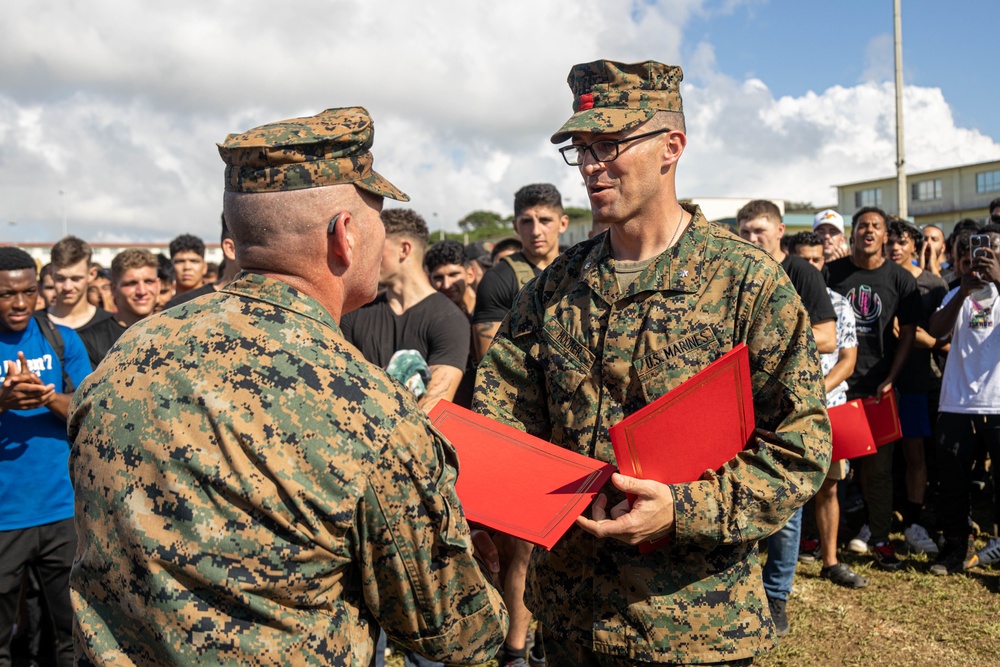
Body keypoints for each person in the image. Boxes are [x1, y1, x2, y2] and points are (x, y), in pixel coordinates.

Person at [67, 106, 507, 665]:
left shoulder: (124, 356)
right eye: (378, 216)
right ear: (345, 235)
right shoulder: (366, 408)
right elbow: (458, 631)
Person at [475, 59, 829, 665]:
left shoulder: (748, 283)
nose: (589, 166)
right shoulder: (554, 287)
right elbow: (502, 412)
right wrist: (495, 498)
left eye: (609, 144)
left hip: (691, 627)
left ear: (672, 147)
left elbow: (802, 447)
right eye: (581, 149)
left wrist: (682, 512)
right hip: (569, 622)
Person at [737, 201, 837, 635]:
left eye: (759, 230)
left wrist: (761, 342)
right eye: (744, 230)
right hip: (740, 408)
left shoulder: (802, 273)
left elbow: (828, 337)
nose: (751, 237)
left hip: (789, 408)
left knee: (786, 504)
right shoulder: (737, 272)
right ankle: (747, 592)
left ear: (780, 230)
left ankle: (776, 596)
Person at [0, 246, 92, 667]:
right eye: (6, 294)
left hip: (60, 514)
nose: (19, 303)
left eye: (28, 292)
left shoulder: (62, 339)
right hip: (5, 519)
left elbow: (90, 411)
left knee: (73, 638)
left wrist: (48, 396)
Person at [826, 206, 922, 571]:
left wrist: (891, 377)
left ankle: (880, 538)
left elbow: (909, 332)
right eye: (863, 225)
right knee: (832, 470)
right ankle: (824, 539)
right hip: (837, 387)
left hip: (878, 390)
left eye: (876, 226)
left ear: (885, 235)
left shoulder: (900, 279)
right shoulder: (831, 273)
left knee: (879, 470)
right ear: (853, 234)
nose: (869, 231)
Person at [787, 232, 867, 589]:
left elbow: (847, 361)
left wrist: (814, 393)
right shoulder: (777, 302)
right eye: (803, 261)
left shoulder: (839, 304)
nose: (811, 268)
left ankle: (830, 560)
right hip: (783, 410)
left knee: (829, 488)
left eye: (817, 261)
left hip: (826, 408)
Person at [341, 208, 470, 410]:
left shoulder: (449, 320)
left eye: (373, 246)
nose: (363, 256)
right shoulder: (353, 313)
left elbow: (433, 409)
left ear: (404, 249)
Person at [927, 231, 1000, 575]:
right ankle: (956, 547)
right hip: (957, 404)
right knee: (953, 485)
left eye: (987, 259)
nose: (978, 267)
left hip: (997, 405)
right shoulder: (956, 294)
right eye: (969, 261)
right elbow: (937, 331)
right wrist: (962, 292)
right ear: (957, 263)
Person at [885, 219, 949, 554]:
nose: (895, 247)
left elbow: (942, 338)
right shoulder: (879, 276)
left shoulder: (932, 284)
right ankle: (879, 520)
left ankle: (914, 521)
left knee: (916, 453)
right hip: (877, 380)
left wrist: (916, 336)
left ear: (914, 245)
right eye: (890, 241)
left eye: (901, 242)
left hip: (916, 380)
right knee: (880, 457)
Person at [472, 184, 569, 363]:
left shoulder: (580, 267)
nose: (536, 231)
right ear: (516, 226)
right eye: (526, 222)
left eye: (545, 220)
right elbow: (490, 363)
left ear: (563, 224)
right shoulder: (498, 279)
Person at [75, 249, 163, 368]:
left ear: (158, 285)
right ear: (114, 289)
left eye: (148, 282)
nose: (142, 291)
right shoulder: (90, 340)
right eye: (131, 283)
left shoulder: (178, 331)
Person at [46, 236, 119, 369]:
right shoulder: (35, 324)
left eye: (76, 278)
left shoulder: (112, 326)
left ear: (91, 274)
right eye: (60, 278)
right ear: (51, 273)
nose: (67, 287)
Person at [164, 215, 241, 308]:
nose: (187, 267)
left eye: (194, 261)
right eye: (180, 261)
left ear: (204, 267)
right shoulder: (174, 307)